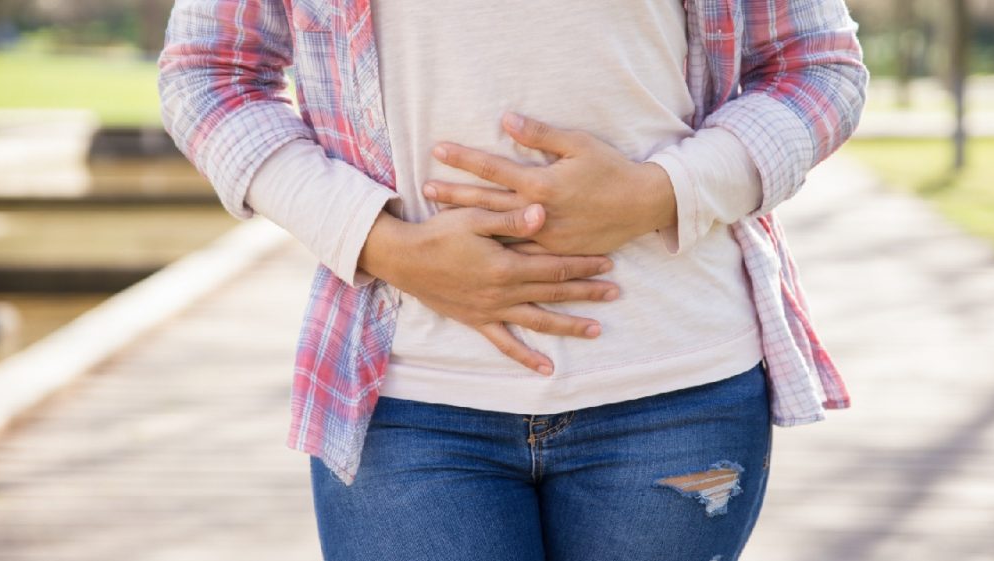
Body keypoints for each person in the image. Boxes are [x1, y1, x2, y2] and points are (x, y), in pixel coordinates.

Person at [158, 1, 866, 559]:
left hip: (675, 391)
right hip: (406, 394)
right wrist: (383, 244)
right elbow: (209, 75)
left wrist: (660, 191)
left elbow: (818, 66)